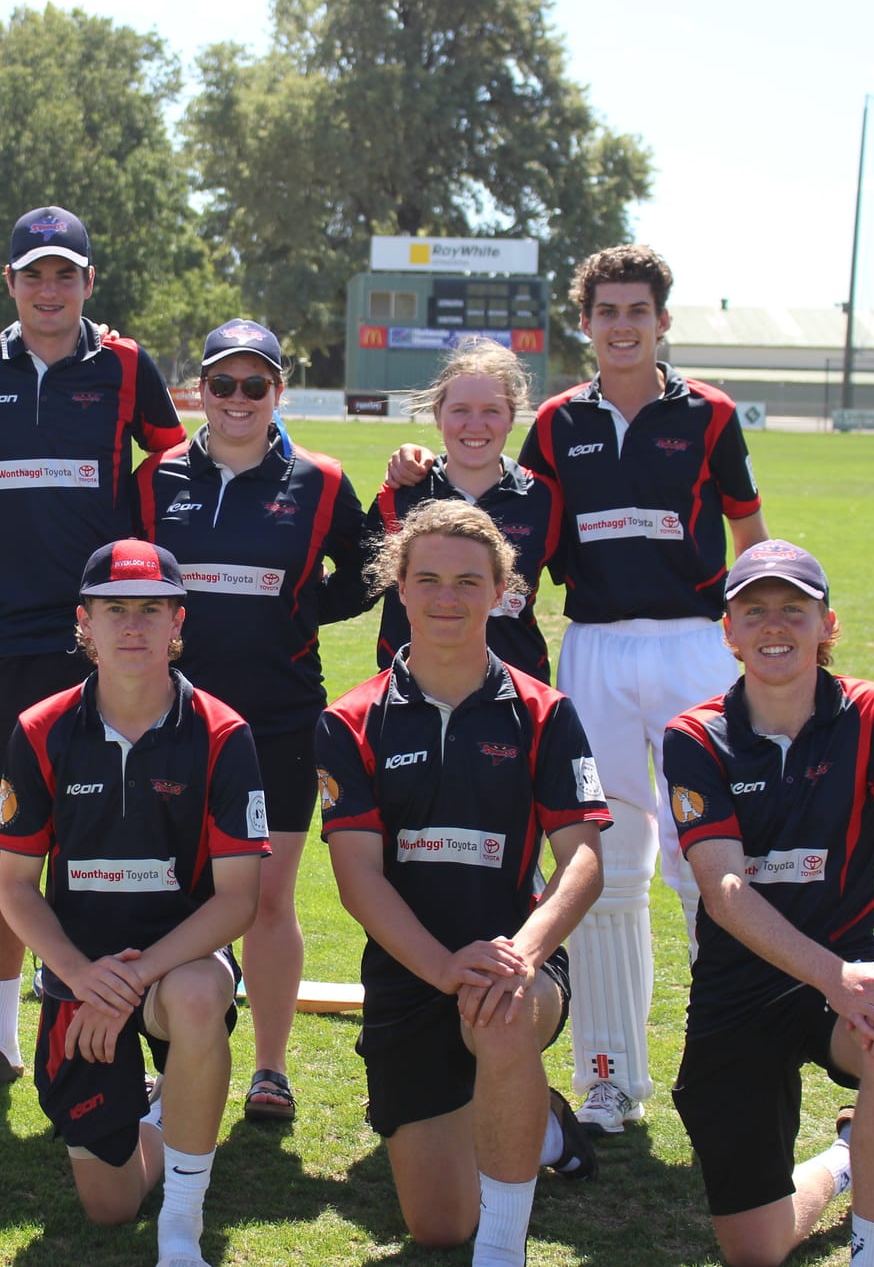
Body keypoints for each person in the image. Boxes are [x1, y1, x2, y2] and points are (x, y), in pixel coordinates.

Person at [389, 243, 767, 1134]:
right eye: (608, 312)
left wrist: (748, 640)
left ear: (662, 321)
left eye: (639, 310)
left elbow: (749, 531)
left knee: (706, 863)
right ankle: (610, 1076)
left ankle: (735, 1059)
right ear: (587, 323)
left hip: (694, 647)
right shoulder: (557, 421)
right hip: (591, 649)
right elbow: (507, 518)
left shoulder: (710, 413)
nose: (623, 325)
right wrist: (413, 468)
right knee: (605, 864)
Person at [0, 205, 185, 1096]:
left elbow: (173, 463)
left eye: (65, 274)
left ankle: (140, 1030)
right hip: (6, 633)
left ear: (87, 283)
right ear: (10, 284)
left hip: (107, 634)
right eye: (33, 274)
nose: (49, 290)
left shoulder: (123, 365)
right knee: (6, 839)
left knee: (124, 826)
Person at [317, 500, 607, 1266]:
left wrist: (521, 951)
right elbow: (359, 880)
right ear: (399, 588)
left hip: (519, 966)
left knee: (503, 1018)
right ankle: (539, 1123)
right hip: (412, 976)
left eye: (469, 581)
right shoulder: (350, 719)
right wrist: (444, 967)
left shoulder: (545, 712)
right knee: (438, 1226)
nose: (448, 598)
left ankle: (504, 1249)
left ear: (503, 591)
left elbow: (583, 859)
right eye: (430, 579)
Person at [665, 540, 874, 1267]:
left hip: (849, 973)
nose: (775, 626)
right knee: (754, 1252)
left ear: (828, 624)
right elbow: (725, 890)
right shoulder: (695, 734)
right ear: (728, 631)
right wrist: (837, 976)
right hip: (739, 987)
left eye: (794, 610)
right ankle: (845, 1158)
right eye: (754, 610)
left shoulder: (872, 712)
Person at [0, 540, 265, 1267]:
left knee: (204, 993)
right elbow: (13, 887)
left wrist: (132, 980)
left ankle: (183, 1223)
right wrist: (84, 977)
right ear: (85, 622)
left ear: (179, 622)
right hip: (83, 978)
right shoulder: (38, 728)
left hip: (175, 970)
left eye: (153, 609)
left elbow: (239, 900)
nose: (135, 626)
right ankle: (165, 1104)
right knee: (109, 1208)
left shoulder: (224, 732)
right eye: (116, 609)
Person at [132, 318, 367, 1123]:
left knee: (268, 899)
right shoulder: (154, 477)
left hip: (279, 718)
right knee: (175, 892)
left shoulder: (323, 479)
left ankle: (270, 1068)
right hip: (172, 719)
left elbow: (372, 569)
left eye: (254, 385)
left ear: (279, 392)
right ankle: (177, 1059)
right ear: (199, 389)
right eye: (221, 384)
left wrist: (303, 610)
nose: (237, 400)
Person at [366, 337, 558, 682]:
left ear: (511, 418)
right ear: (438, 415)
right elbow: (355, 588)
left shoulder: (544, 498)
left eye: (491, 411)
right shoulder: (400, 495)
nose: (475, 424)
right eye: (460, 410)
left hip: (514, 695)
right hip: (410, 698)